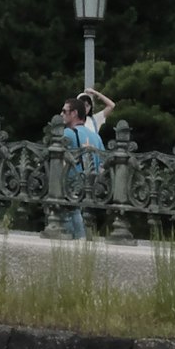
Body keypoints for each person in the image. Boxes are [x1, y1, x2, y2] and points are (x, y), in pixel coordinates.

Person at [52, 90, 112, 241]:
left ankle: (80, 241)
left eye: (64, 111)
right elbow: (104, 162)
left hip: (71, 185)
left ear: (74, 114)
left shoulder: (67, 133)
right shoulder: (95, 136)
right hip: (91, 187)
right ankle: (83, 241)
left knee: (68, 220)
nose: (61, 114)